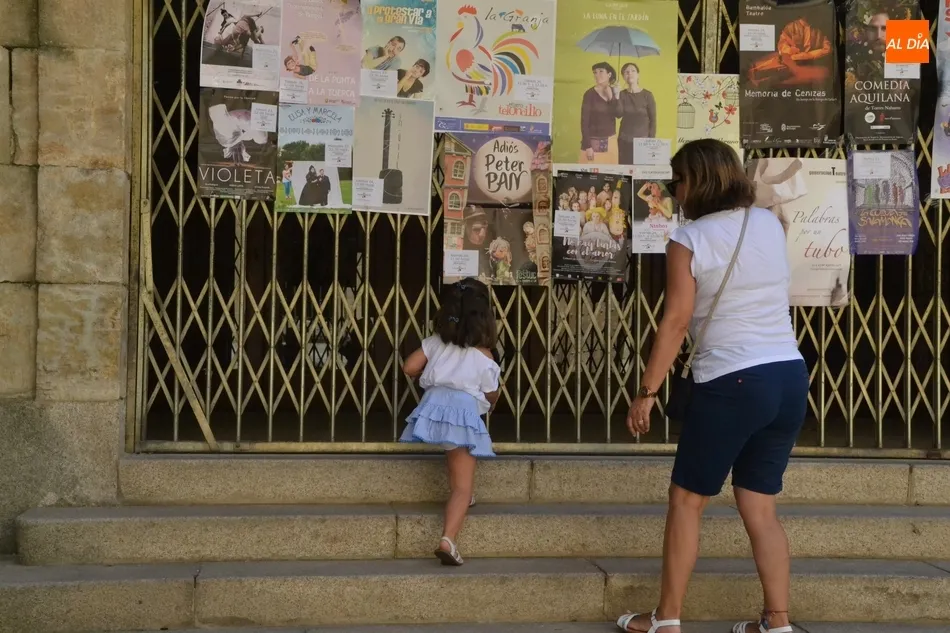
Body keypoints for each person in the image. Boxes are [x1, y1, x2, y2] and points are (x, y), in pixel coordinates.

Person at [617, 139, 807, 633]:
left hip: (733, 378)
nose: (673, 192)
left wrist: (646, 392)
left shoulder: (688, 238)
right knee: (759, 505)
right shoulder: (768, 222)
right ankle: (778, 622)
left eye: (677, 181)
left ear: (697, 181)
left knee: (687, 500)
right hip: (788, 375)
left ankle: (666, 619)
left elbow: (676, 321)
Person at [400, 279, 500, 566]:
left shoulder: (435, 342)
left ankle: (462, 497)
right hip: (462, 412)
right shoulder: (484, 356)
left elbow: (409, 367)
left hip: (434, 407)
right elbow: (491, 392)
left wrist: (431, 375)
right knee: (462, 487)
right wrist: (492, 401)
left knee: (452, 448)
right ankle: (448, 539)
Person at [613, 63, 657, 165]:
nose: (630, 73)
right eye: (626, 72)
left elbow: (653, 120)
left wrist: (650, 142)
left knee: (642, 172)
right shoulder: (621, 94)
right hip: (625, 141)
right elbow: (618, 114)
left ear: (638, 75)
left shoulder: (647, 95)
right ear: (623, 76)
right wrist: (616, 96)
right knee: (625, 171)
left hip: (643, 142)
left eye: (633, 71)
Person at [579, 61, 620, 164]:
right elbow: (584, 121)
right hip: (593, 142)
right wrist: (587, 146)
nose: (597, 75)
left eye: (601, 71)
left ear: (609, 74)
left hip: (611, 142)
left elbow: (618, 114)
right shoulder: (589, 94)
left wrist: (613, 97)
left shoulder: (615, 92)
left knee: (610, 172)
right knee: (591, 172)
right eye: (595, 72)